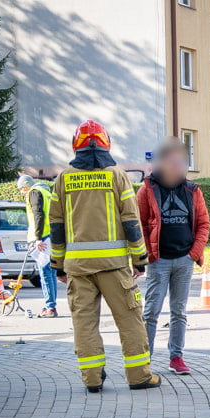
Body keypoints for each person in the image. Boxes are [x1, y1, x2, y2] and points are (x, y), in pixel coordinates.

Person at [49, 120, 160, 392]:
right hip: (114, 267)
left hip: (78, 268)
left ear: (76, 145)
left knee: (84, 324)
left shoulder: (64, 178)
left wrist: (58, 266)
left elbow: (56, 226)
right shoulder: (117, 175)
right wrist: (139, 261)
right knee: (130, 320)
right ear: (105, 142)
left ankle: (92, 380)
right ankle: (139, 377)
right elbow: (131, 221)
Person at [137, 137, 210, 375]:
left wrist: (193, 254)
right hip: (159, 261)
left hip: (184, 260)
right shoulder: (148, 188)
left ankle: (176, 357)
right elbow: (138, 224)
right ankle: (144, 359)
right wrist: (149, 255)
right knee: (151, 312)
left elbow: (203, 224)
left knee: (179, 311)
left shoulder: (192, 190)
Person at [17, 174, 58, 317]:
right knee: (51, 272)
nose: (22, 192)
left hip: (44, 238)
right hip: (51, 236)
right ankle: (51, 305)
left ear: (27, 186)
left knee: (45, 273)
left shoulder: (34, 193)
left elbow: (38, 216)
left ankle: (50, 308)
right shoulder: (47, 192)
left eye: (21, 189)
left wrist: (38, 239)